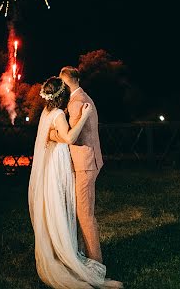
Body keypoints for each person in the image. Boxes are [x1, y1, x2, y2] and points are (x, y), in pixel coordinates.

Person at [28, 76, 123, 289]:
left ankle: (60, 251)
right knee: (63, 208)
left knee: (56, 208)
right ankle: (69, 254)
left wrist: (55, 135)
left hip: (53, 166)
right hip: (59, 166)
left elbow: (55, 136)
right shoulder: (60, 113)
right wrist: (85, 115)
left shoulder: (47, 113)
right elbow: (69, 138)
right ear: (62, 94)